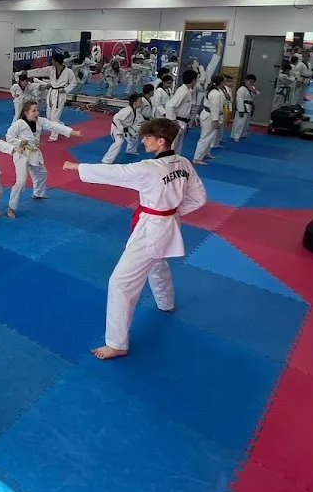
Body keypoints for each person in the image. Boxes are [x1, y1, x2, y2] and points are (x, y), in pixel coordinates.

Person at [63, 118, 207, 360]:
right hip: (168, 223)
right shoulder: (183, 163)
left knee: (121, 282)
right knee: (157, 263)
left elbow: (115, 173)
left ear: (161, 141)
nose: (143, 141)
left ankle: (117, 343)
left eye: (148, 137)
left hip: (152, 229)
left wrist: (78, 167)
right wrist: (171, 211)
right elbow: (199, 197)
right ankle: (166, 302)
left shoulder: (149, 168)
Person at [5, 100, 81, 217]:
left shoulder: (39, 121)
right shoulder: (19, 124)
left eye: (37, 110)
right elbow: (9, 137)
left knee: (42, 173)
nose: (37, 113)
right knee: (21, 182)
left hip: (34, 153)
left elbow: (54, 125)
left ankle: (38, 193)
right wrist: (20, 142)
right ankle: (11, 207)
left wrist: (72, 132)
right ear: (26, 112)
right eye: (33, 111)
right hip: (22, 154)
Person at [26, 51, 77, 141]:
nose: (51, 62)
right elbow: (39, 71)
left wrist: (65, 90)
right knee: (49, 116)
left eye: (52, 60)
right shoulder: (51, 69)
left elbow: (73, 83)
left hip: (60, 94)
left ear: (56, 61)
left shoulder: (69, 72)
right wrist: (27, 73)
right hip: (51, 92)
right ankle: (62, 127)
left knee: (54, 116)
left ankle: (54, 136)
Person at [103, 87, 153, 165]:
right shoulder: (127, 110)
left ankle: (131, 151)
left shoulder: (135, 110)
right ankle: (106, 160)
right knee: (119, 142)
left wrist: (136, 129)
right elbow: (115, 118)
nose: (141, 103)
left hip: (127, 127)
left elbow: (133, 122)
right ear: (135, 103)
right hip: (117, 127)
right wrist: (120, 131)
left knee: (135, 136)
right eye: (140, 101)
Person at [192, 75, 227, 165]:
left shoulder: (217, 91)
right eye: (224, 81)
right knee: (205, 137)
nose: (225, 83)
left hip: (210, 114)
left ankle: (205, 152)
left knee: (210, 136)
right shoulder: (215, 93)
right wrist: (215, 120)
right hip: (210, 116)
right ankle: (197, 158)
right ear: (220, 82)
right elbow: (214, 107)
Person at [165, 69, 198, 154]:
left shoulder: (187, 91)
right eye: (196, 79)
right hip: (177, 121)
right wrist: (173, 120)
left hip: (182, 121)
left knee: (178, 146)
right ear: (193, 80)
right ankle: (168, 160)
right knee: (173, 145)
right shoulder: (183, 91)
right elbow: (169, 106)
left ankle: (175, 160)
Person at [232, 74, 257, 142]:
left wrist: (253, 90)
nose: (251, 83)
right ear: (246, 81)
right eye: (250, 81)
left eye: (253, 82)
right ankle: (236, 136)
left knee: (246, 123)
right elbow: (239, 100)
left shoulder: (252, 88)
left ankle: (243, 134)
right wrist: (241, 110)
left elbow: (255, 94)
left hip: (249, 107)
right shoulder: (241, 89)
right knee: (240, 122)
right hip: (243, 107)